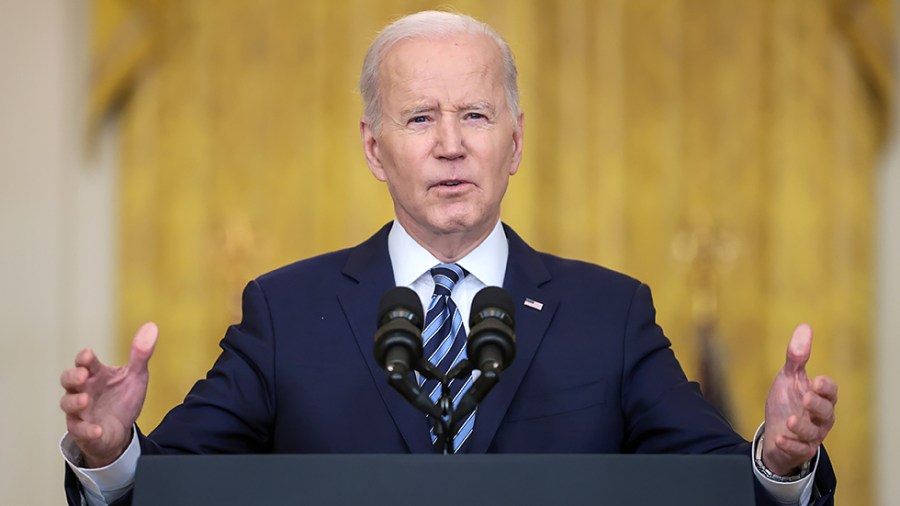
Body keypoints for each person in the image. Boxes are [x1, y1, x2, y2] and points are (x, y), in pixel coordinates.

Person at [59, 10, 838, 506]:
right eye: (420, 117)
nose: (451, 145)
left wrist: (777, 455)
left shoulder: (610, 314)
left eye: (475, 114)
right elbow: (171, 487)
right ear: (374, 147)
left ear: (516, 142)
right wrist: (112, 453)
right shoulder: (287, 312)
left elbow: (721, 484)